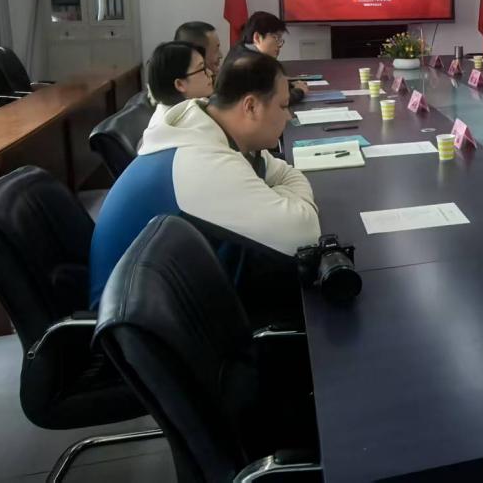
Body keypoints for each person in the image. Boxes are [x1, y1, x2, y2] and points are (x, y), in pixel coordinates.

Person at [89, 51, 319, 309]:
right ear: (251, 107)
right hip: (136, 316)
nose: (289, 117)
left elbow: (286, 173)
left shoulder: (210, 126)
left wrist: (286, 197)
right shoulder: (200, 159)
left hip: (168, 287)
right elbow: (305, 232)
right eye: (283, 106)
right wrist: (290, 199)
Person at [228, 11, 308, 105]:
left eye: (280, 39)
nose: (279, 45)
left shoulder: (240, 50)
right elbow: (272, 103)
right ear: (257, 38)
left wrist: (287, 84)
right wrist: (299, 91)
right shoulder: (249, 64)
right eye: (276, 38)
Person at [145, 40, 215, 128]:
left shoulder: (163, 113)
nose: (210, 73)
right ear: (180, 84)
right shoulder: (193, 125)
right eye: (202, 69)